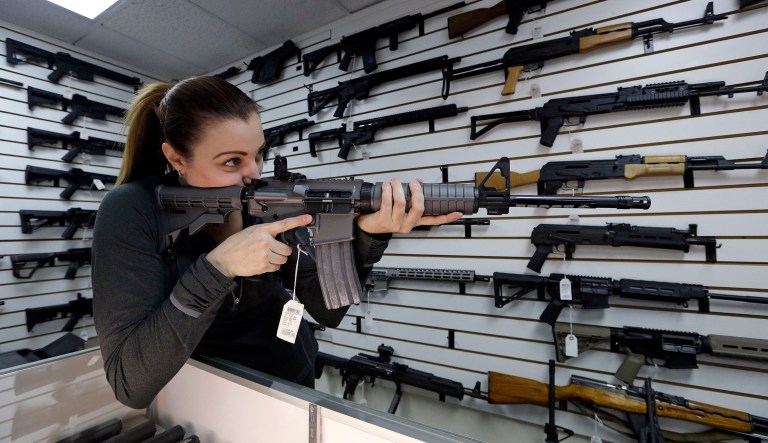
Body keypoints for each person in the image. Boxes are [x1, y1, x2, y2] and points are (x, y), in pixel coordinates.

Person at [91, 76, 462, 409]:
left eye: (259, 154)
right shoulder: (132, 209)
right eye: (232, 162)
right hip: (206, 394)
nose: (255, 175)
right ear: (176, 158)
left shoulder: (269, 199)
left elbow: (329, 311)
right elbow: (130, 385)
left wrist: (370, 233)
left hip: (289, 380)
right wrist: (218, 268)